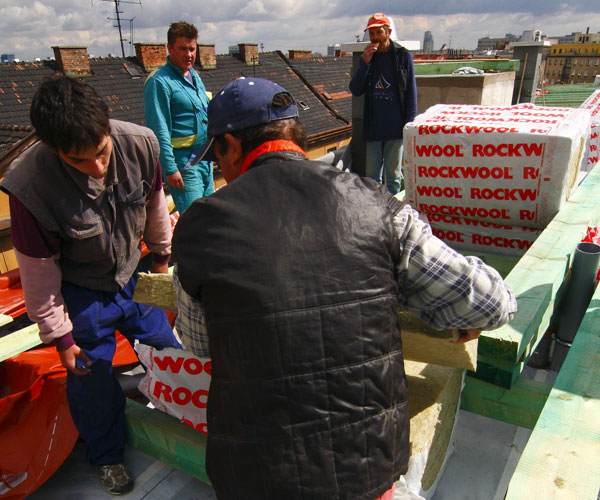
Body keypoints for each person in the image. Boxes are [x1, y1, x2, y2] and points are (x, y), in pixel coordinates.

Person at [171, 76, 517, 500]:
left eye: (216, 157)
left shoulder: (199, 228)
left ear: (231, 146)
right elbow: (489, 302)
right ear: (294, 135)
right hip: (365, 473)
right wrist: (451, 315)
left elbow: (198, 343)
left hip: (254, 475)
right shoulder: (375, 204)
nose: (219, 171)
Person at [1, 75, 181, 495]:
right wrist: (61, 339)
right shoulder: (30, 187)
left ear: (107, 128)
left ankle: (185, 417)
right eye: (78, 161)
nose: (97, 168)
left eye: (101, 152)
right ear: (53, 148)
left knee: (171, 352)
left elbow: (155, 206)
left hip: (135, 274)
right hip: (80, 292)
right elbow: (39, 275)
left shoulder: (140, 144)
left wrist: (160, 263)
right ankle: (107, 455)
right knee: (92, 381)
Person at [143, 21, 213, 213]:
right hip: (183, 164)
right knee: (196, 220)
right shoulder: (159, 81)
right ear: (170, 48)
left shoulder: (193, 75)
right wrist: (170, 168)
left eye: (192, 49)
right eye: (182, 49)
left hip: (204, 159)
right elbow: (159, 128)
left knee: (211, 215)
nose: (189, 54)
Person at [349, 12, 418, 195]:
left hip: (396, 128)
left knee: (393, 177)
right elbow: (355, 89)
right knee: (372, 178)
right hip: (374, 128)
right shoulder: (369, 59)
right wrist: (364, 64)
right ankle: (376, 211)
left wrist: (409, 125)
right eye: (371, 34)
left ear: (388, 32)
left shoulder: (402, 56)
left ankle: (393, 216)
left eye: (378, 32)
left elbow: (411, 92)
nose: (374, 38)